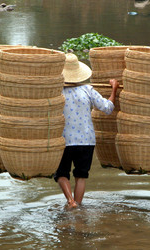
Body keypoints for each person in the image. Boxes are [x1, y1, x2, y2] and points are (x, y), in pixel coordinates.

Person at [54, 53, 119, 209]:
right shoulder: (88, 89)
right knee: (81, 176)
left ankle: (70, 201)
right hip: (86, 140)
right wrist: (114, 89)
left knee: (61, 174)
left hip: (64, 140)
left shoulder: (56, 93)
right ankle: (78, 205)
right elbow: (108, 108)